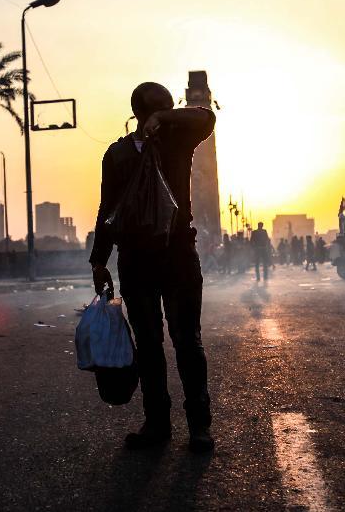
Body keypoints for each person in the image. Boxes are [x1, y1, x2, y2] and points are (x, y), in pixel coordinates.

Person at [90, 82, 216, 453]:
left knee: (171, 344)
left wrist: (100, 259)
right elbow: (109, 209)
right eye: (162, 107)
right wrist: (99, 258)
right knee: (167, 344)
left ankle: (176, 425)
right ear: (147, 110)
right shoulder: (151, 149)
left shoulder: (171, 142)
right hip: (158, 258)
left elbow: (206, 117)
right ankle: (180, 426)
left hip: (154, 258)